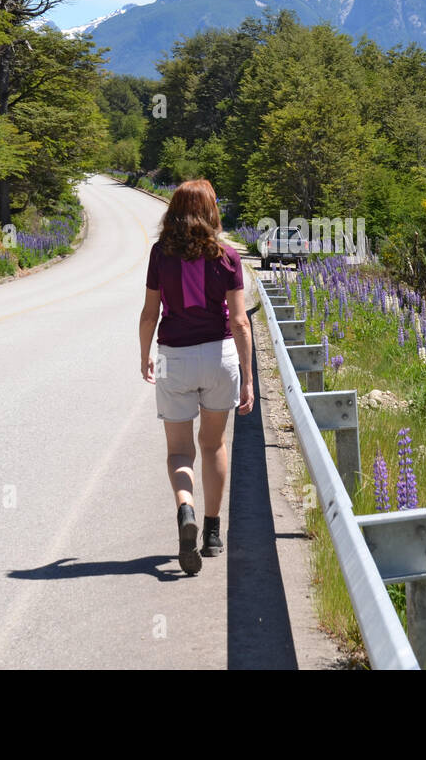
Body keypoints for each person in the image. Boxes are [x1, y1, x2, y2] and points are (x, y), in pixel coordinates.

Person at [138, 179, 254, 575]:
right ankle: (212, 532)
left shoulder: (159, 254)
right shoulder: (227, 257)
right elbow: (239, 322)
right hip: (219, 355)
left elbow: (150, 313)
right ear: (211, 211)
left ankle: (184, 505)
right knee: (213, 444)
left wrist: (144, 355)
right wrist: (248, 376)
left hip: (173, 355)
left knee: (178, 451)